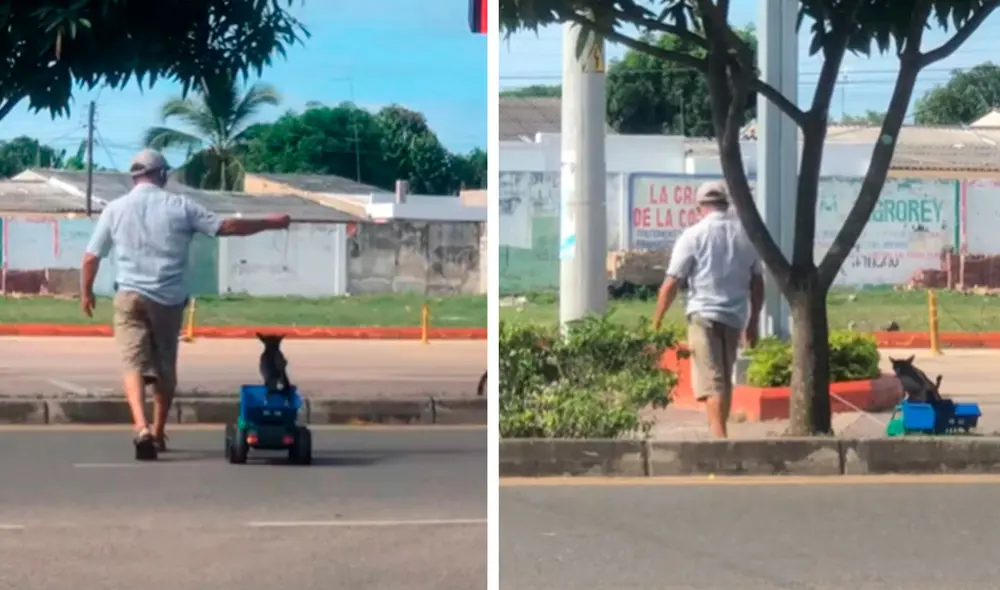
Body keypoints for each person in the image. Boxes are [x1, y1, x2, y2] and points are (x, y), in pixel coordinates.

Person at [81, 149, 291, 459]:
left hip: (129, 296)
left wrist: (86, 293)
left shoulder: (115, 209)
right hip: (167, 299)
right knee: (165, 366)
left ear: (135, 176)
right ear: (162, 174)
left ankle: (140, 428)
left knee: (132, 364)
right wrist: (271, 223)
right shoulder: (180, 206)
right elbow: (226, 227)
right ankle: (157, 430)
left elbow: (91, 257)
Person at [651, 181, 764, 439]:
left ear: (701, 206)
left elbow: (672, 282)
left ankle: (718, 439)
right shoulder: (745, 235)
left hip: (703, 315)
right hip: (735, 316)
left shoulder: (693, 235)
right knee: (723, 377)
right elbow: (757, 282)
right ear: (727, 204)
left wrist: (656, 322)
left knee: (712, 381)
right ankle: (719, 431)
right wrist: (753, 321)